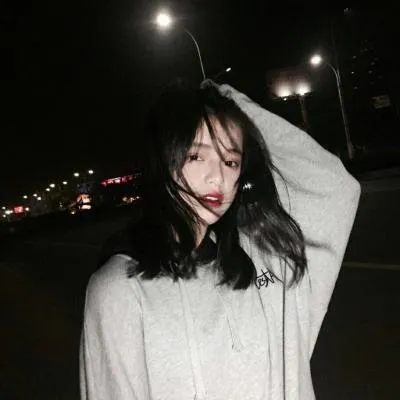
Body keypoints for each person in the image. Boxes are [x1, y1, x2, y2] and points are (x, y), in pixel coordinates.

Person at [79, 80, 361, 400]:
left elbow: (336, 187)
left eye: (230, 161)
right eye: (197, 156)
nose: (218, 177)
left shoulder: (264, 257)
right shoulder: (120, 289)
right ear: (163, 159)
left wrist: (229, 101)